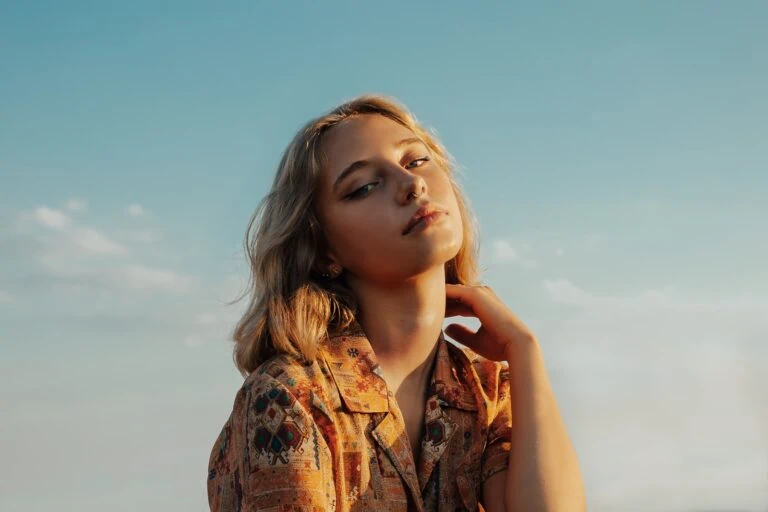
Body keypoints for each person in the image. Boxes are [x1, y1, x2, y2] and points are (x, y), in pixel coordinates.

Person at [206, 94, 585, 511]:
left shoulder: (485, 389)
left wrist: (525, 353)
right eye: (365, 186)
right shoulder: (290, 396)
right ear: (322, 251)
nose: (412, 185)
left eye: (416, 162)